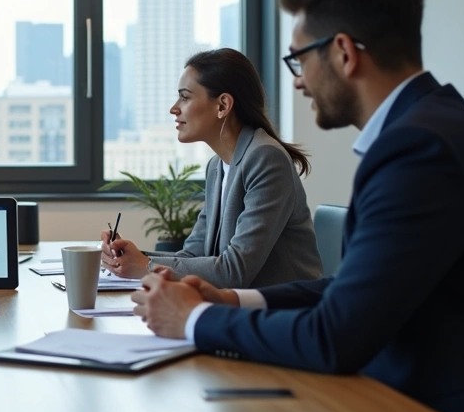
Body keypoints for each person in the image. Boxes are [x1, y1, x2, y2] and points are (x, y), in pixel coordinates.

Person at [133, 0, 464, 412]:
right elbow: (351, 292)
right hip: (415, 404)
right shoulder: (426, 129)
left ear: (345, 53)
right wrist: (232, 301)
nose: (298, 81)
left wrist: (193, 320)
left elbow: (336, 336)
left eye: (300, 59)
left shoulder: (419, 149)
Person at [101, 48, 322, 288]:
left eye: (185, 97)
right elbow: (194, 256)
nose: (174, 108)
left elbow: (234, 271)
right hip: (239, 309)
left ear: (223, 105)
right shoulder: (217, 166)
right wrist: (131, 258)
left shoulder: (265, 158)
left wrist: (145, 266)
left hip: (285, 314)